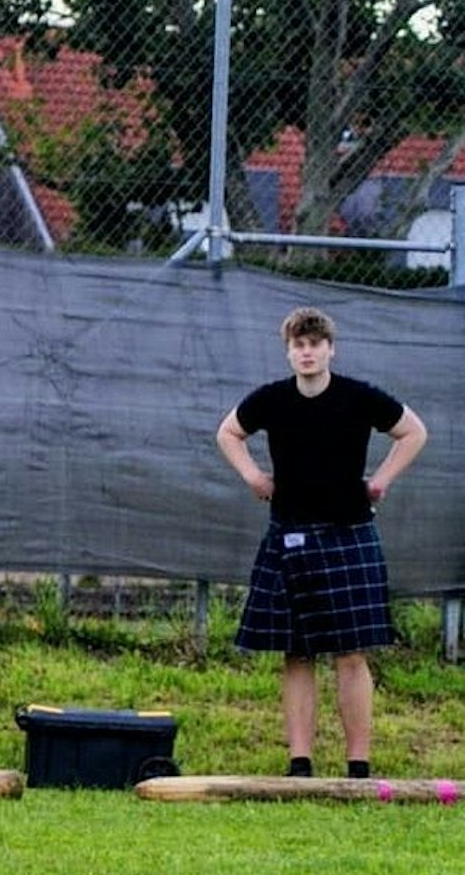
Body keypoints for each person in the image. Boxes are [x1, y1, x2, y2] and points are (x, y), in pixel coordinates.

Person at [216, 306, 427, 780]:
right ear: (289, 351)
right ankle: (300, 763)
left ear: (330, 348)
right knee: (297, 653)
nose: (306, 352)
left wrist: (381, 481)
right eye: (298, 345)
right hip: (288, 533)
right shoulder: (271, 399)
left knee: (351, 653)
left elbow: (414, 432)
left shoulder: (359, 397)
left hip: (348, 531)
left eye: (314, 344)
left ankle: (358, 765)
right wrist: (252, 476)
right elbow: (228, 432)